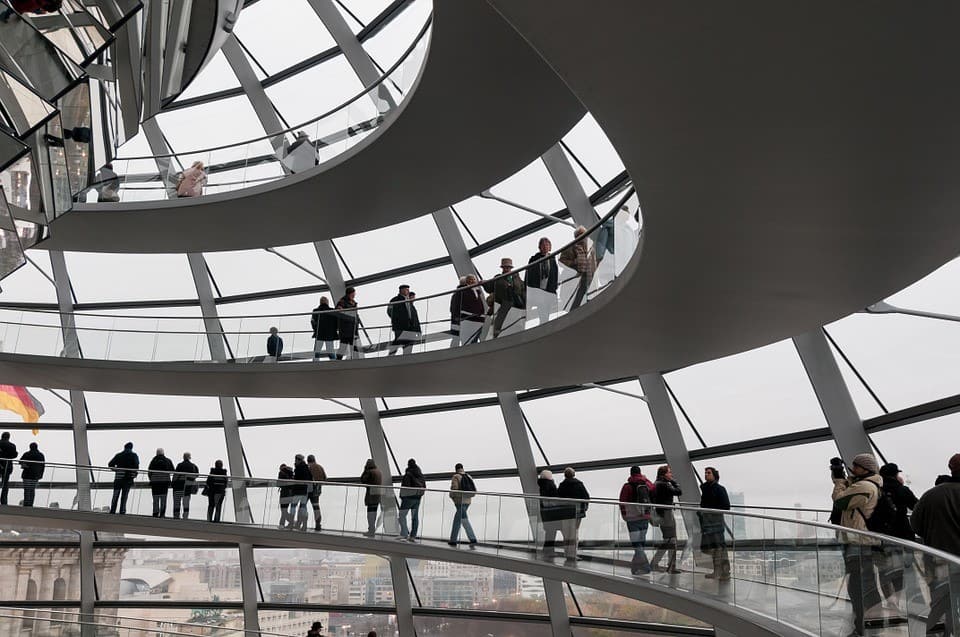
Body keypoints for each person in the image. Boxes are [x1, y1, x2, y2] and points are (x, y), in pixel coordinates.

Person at [830, 453, 883, 637]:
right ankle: (869, 624)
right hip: (860, 542)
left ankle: (866, 627)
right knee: (864, 585)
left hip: (859, 543)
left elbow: (840, 501)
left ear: (866, 468)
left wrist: (839, 482)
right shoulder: (864, 484)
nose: (853, 468)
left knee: (859, 587)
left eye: (856, 466)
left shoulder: (865, 486)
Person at [911, 453, 960, 636]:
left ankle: (940, 633)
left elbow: (914, 524)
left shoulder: (931, 495)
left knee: (940, 604)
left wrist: (934, 535)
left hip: (938, 560)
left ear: (951, 468)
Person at [877, 463, 919, 603]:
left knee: (884, 571)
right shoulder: (902, 490)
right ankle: (901, 601)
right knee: (901, 572)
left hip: (881, 536)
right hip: (903, 535)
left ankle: (891, 602)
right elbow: (916, 507)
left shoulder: (877, 490)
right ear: (895, 475)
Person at [618, 466, 655, 575]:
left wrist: (624, 516)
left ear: (631, 474)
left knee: (636, 544)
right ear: (640, 473)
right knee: (641, 544)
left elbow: (622, 502)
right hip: (645, 517)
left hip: (632, 519)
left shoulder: (627, 486)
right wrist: (646, 479)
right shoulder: (645, 484)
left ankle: (646, 567)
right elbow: (653, 489)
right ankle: (635, 568)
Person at [699, 466, 730, 580]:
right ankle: (719, 571)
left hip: (715, 522)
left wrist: (710, 511)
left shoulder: (719, 489)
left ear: (714, 475)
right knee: (713, 547)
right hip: (708, 523)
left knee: (718, 547)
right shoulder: (705, 489)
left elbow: (726, 506)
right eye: (705, 473)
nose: (706, 475)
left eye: (708, 473)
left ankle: (723, 572)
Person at [650, 465, 683, 574]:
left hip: (661, 514)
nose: (671, 475)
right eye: (669, 473)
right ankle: (667, 565)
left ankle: (663, 564)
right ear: (664, 474)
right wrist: (674, 482)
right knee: (671, 540)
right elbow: (679, 491)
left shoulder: (656, 483)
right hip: (667, 514)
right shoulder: (664, 485)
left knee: (668, 540)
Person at [482, 258, 526, 337]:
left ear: (511, 268)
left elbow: (523, 289)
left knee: (515, 323)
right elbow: (489, 288)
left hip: (516, 305)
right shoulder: (498, 278)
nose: (506, 269)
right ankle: (497, 334)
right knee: (501, 321)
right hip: (504, 303)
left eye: (508, 267)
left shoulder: (517, 278)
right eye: (505, 267)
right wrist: (484, 283)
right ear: (502, 268)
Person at [557, 467, 590, 563]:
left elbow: (558, 499)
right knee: (574, 533)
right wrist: (585, 508)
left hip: (565, 513)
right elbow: (586, 497)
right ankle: (573, 554)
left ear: (565, 475)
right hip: (577, 513)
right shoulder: (579, 484)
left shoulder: (562, 485)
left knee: (566, 534)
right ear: (574, 474)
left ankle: (567, 553)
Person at [559, 225, 597, 310]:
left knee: (589, 298)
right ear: (576, 236)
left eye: (584, 234)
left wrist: (595, 277)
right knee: (576, 300)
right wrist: (574, 262)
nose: (583, 236)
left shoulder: (591, 248)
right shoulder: (571, 247)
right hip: (577, 277)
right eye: (580, 234)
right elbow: (561, 261)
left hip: (589, 276)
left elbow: (594, 264)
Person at [525, 237, 559, 326]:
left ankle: (545, 324)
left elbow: (555, 274)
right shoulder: (534, 259)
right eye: (543, 245)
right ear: (539, 247)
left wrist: (554, 288)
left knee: (546, 309)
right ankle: (543, 325)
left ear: (550, 247)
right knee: (541, 309)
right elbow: (528, 275)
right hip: (538, 289)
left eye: (547, 245)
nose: (545, 247)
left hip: (548, 290)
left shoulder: (552, 259)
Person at [450, 274, 485, 346]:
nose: (472, 281)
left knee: (459, 337)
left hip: (471, 318)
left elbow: (453, 307)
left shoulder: (475, 292)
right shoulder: (462, 292)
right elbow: (456, 306)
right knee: (463, 336)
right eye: (469, 280)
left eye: (473, 280)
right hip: (465, 318)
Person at [448, 463, 477, 547]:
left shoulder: (456, 477)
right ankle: (453, 540)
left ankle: (473, 539)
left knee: (464, 520)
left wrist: (451, 495)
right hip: (467, 501)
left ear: (456, 469)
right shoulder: (468, 476)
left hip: (459, 501)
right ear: (462, 468)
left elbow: (455, 489)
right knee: (457, 520)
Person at [537, 469, 565, 556]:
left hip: (545, 512)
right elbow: (555, 497)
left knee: (549, 532)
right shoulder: (549, 484)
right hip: (552, 512)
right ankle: (549, 551)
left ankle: (547, 550)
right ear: (549, 477)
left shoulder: (542, 485)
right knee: (552, 532)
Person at [398, 458, 425, 541]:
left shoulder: (408, 474)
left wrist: (402, 496)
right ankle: (413, 536)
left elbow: (405, 487)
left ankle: (404, 534)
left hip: (408, 498)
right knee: (415, 517)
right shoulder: (420, 474)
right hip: (417, 498)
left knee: (402, 515)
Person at [108, 442, 139, 515]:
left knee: (115, 495)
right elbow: (136, 466)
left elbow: (110, 464)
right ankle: (122, 511)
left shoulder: (118, 455)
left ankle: (113, 510)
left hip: (118, 477)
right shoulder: (134, 456)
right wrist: (133, 474)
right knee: (124, 496)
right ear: (131, 448)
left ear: (124, 447)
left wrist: (116, 470)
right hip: (128, 478)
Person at [387, 285, 416, 355]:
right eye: (407, 290)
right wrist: (396, 319)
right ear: (402, 290)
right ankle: (391, 355)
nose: (408, 291)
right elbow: (389, 311)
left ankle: (406, 355)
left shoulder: (408, 301)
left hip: (409, 325)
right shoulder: (395, 300)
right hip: (399, 325)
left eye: (408, 290)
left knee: (408, 340)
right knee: (399, 339)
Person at [147, 448, 174, 518]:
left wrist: (151, 479)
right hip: (165, 482)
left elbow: (149, 471)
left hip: (155, 482)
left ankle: (155, 513)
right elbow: (173, 471)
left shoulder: (153, 460)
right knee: (163, 498)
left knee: (155, 498)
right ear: (163, 453)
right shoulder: (168, 460)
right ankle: (162, 514)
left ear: (156, 453)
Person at [172, 452, 199, 520]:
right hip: (187, 488)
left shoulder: (179, 465)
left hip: (178, 487)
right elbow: (196, 475)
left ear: (183, 457)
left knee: (177, 503)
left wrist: (173, 484)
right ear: (189, 457)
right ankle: (185, 518)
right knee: (186, 504)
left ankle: (176, 517)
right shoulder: (193, 466)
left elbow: (175, 476)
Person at [336, 288, 361, 359]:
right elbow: (339, 311)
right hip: (345, 329)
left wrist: (357, 320)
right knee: (344, 347)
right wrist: (350, 315)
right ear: (350, 293)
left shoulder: (353, 302)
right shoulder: (342, 301)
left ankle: (355, 362)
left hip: (352, 328)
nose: (355, 294)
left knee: (353, 346)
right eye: (354, 293)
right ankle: (337, 362)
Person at [360, 459, 383, 537]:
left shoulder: (370, 472)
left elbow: (363, 480)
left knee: (370, 514)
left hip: (371, 496)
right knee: (374, 513)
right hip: (377, 496)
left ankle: (371, 530)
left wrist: (364, 470)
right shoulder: (378, 471)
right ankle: (372, 530)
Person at [18, 442, 44, 507]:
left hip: (26, 475)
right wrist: (40, 475)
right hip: (35, 475)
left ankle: (26, 504)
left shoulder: (27, 454)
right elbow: (42, 466)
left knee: (26, 489)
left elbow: (20, 462)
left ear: (30, 447)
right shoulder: (41, 455)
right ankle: (31, 503)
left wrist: (25, 465)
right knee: (32, 490)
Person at [306, 454, 327, 531]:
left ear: (308, 461)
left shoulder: (309, 468)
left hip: (309, 490)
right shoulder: (320, 467)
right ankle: (318, 524)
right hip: (317, 490)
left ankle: (302, 523)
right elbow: (325, 478)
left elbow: (307, 479)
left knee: (303, 506)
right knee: (316, 507)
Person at [292, 454, 312, 531]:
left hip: (298, 491)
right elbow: (310, 479)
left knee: (293, 507)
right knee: (303, 508)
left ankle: (292, 523)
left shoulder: (299, 468)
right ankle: (304, 525)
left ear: (298, 460)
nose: (295, 461)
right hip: (304, 492)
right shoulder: (306, 468)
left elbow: (296, 479)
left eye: (296, 459)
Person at [0, 432, 17, 506]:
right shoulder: (12, 445)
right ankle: (4, 501)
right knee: (5, 484)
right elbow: (13, 455)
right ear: (8, 437)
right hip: (7, 466)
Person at [277, 463, 295, 528]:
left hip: (284, 494)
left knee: (283, 510)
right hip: (291, 494)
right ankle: (291, 521)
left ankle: (283, 524)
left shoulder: (281, 473)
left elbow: (278, 484)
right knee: (285, 510)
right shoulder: (291, 473)